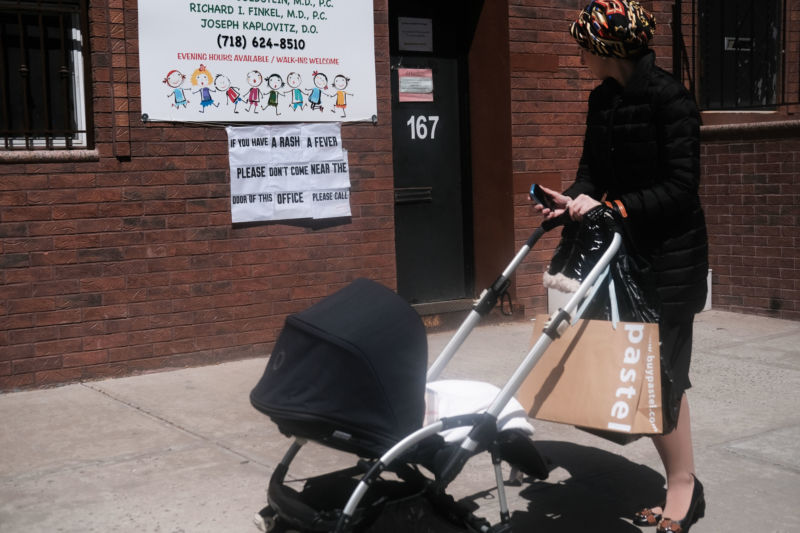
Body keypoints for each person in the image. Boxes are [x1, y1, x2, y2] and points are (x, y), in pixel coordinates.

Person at [535, 2, 709, 532]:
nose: (580, 54)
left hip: (668, 261)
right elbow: (592, 172)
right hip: (621, 256)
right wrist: (570, 200)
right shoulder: (602, 100)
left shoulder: (672, 101)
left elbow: (681, 188)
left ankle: (683, 489)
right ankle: (677, 478)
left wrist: (616, 208)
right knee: (638, 372)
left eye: (584, 45)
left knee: (663, 376)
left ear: (606, 48)